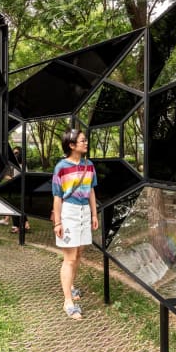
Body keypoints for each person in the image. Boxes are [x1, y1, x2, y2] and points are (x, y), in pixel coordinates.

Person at [52, 129, 98, 319]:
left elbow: (92, 192)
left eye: (85, 140)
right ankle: (68, 301)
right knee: (69, 258)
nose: (85, 143)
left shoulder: (89, 165)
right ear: (71, 145)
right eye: (81, 141)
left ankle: (70, 285)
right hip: (68, 212)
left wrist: (94, 214)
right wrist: (58, 222)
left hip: (85, 213)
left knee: (78, 253)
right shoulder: (61, 167)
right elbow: (57, 196)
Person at [11, 146, 31, 234]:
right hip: (18, 189)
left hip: (19, 189)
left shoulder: (21, 165)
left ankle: (18, 226)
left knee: (14, 207)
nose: (15, 155)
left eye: (16, 153)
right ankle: (26, 224)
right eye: (14, 153)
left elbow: (22, 178)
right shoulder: (18, 165)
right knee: (19, 207)